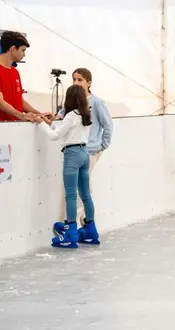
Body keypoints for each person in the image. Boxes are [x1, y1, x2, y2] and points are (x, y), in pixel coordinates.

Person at [37, 85, 100, 248]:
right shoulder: (86, 114)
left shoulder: (71, 116)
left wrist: (40, 123)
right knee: (85, 195)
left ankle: (70, 233)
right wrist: (49, 122)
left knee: (71, 195)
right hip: (84, 153)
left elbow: (54, 136)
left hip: (72, 155)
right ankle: (90, 230)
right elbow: (64, 131)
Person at [57, 68, 114, 224]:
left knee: (80, 188)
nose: (76, 82)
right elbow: (62, 116)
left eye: (80, 80)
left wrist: (102, 146)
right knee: (82, 186)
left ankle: (77, 220)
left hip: (90, 150)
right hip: (76, 150)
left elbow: (108, 125)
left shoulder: (97, 102)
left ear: (88, 83)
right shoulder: (71, 102)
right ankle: (84, 219)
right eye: (74, 79)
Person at [0, 31, 51, 122]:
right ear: (13, 49)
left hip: (17, 126)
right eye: (23, 50)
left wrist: (39, 114)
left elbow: (20, 101)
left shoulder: (15, 72)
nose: (24, 54)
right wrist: (22, 116)